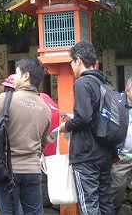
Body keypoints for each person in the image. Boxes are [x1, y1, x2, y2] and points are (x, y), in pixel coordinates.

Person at [0, 57, 51, 214]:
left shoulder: (5, 100)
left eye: (16, 72)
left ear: (26, 76)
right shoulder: (45, 108)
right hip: (33, 171)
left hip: (8, 170)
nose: (14, 76)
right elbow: (43, 142)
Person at [59, 41, 115, 215]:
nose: (71, 66)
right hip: (104, 153)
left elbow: (83, 117)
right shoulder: (104, 83)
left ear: (78, 61)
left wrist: (66, 126)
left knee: (89, 204)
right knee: (105, 201)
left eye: (71, 62)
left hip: (86, 156)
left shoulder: (83, 83)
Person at [110, 76, 132, 213]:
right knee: (117, 187)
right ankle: (113, 210)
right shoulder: (116, 103)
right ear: (127, 90)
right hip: (122, 155)